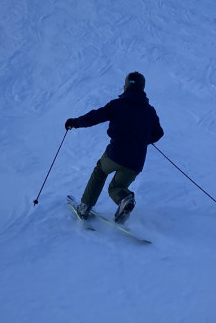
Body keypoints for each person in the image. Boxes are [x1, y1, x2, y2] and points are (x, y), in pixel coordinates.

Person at [65, 72, 164, 222]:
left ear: (126, 87)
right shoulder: (150, 111)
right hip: (135, 162)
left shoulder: (117, 105)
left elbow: (95, 117)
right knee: (117, 187)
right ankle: (125, 199)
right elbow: (158, 133)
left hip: (115, 154)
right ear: (142, 88)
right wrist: (144, 139)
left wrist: (75, 122)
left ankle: (85, 207)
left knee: (100, 171)